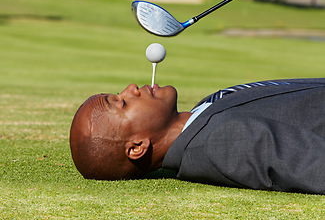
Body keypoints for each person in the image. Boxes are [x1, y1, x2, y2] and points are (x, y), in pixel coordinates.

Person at [70, 78, 325, 194]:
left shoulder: (202, 116)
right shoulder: (221, 142)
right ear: (138, 146)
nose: (131, 89)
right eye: (123, 103)